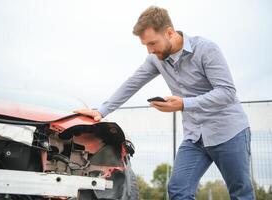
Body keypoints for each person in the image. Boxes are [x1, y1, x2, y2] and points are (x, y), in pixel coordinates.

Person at [75, 6, 255, 200]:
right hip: (195, 137)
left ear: (169, 32)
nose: (150, 50)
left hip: (229, 132)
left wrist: (184, 104)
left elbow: (227, 92)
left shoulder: (206, 49)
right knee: (178, 190)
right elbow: (132, 83)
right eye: (145, 45)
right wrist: (101, 111)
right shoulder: (155, 59)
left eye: (152, 43)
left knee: (240, 194)